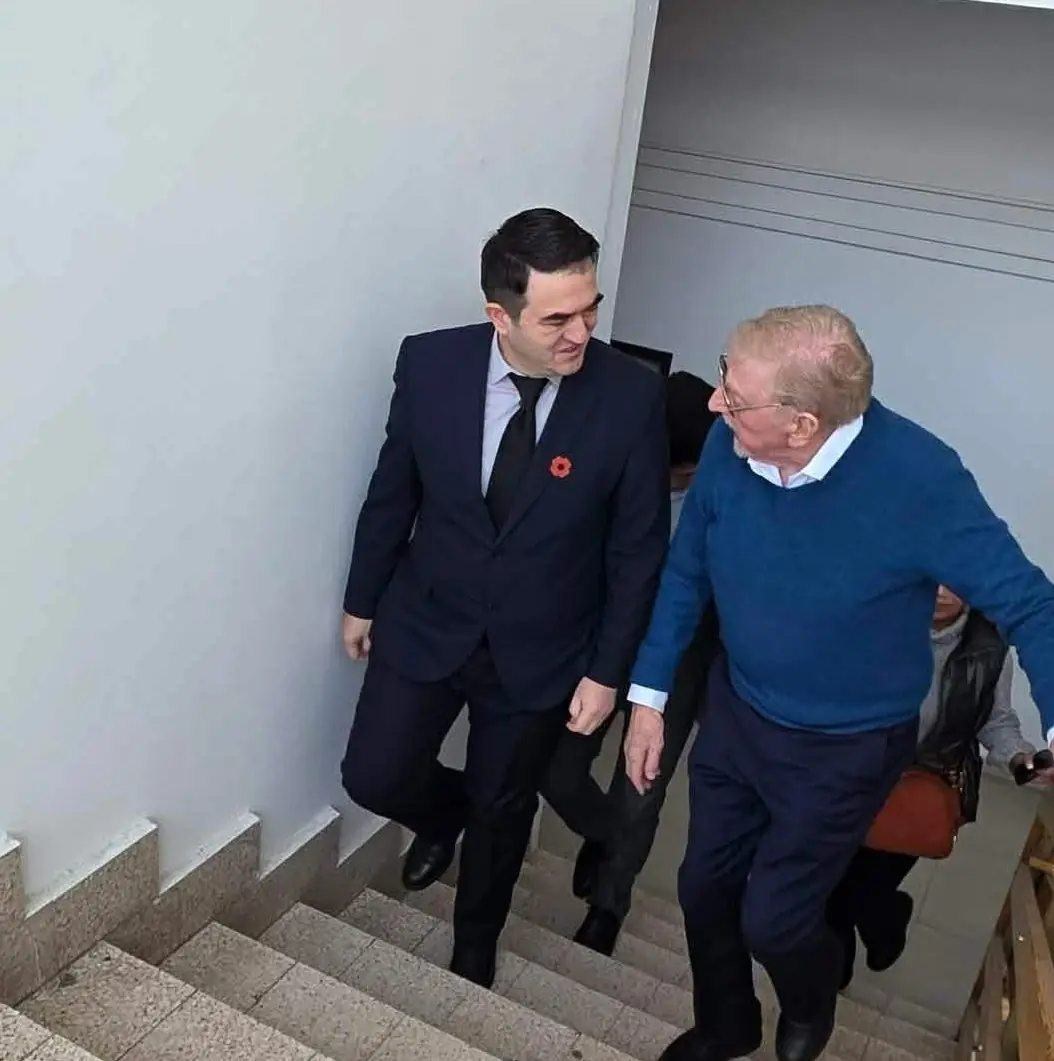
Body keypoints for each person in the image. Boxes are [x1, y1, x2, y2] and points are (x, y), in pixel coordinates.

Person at [623, 305, 1054, 1061]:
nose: (716, 403)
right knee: (702, 887)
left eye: (735, 395)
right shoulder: (731, 443)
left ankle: (812, 994)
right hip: (738, 715)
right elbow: (687, 570)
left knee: (775, 918)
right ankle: (727, 1024)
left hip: (844, 749)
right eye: (725, 377)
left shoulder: (921, 479)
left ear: (802, 424)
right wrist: (649, 698)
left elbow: (1030, 602)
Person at [338, 207, 670, 989]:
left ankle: (475, 946)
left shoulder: (630, 395)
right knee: (374, 774)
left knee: (505, 808)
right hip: (428, 616)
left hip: (544, 646)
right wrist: (362, 598)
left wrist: (606, 673)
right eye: (558, 318)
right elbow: (393, 491)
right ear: (500, 315)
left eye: (590, 309)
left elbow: (638, 550)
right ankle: (442, 815)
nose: (581, 332)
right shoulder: (429, 364)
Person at [540, 370, 722, 956]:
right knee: (559, 770)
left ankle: (608, 907)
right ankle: (602, 832)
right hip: (606, 644)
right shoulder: (614, 469)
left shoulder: (725, 499)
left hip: (681, 657)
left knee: (641, 785)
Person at [828, 584, 1054, 990]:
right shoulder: (881, 612)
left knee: (864, 886)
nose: (943, 591)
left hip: (920, 791)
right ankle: (832, 979)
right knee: (832, 889)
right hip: (852, 778)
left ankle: (884, 919)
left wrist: (1023, 761)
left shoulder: (990, 644)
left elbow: (996, 721)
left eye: (957, 579)